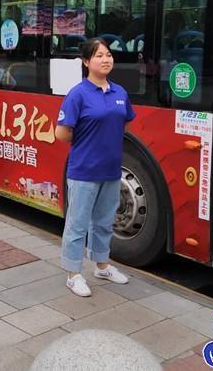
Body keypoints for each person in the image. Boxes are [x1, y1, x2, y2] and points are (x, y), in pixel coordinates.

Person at [55, 37, 135, 297]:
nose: (106, 59)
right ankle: (73, 273)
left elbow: (123, 124)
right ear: (87, 62)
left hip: (111, 170)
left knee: (103, 222)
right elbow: (62, 133)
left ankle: (102, 266)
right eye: (99, 55)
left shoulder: (120, 92)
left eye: (109, 54)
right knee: (77, 224)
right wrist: (88, 143)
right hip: (83, 171)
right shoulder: (78, 93)